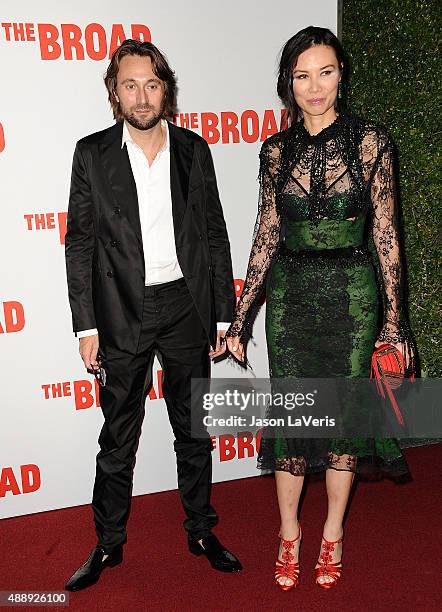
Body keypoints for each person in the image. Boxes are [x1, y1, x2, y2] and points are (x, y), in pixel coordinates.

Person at [226, 26, 415, 590]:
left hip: (354, 297)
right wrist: (241, 318)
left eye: (325, 72)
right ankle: (290, 532)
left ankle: (331, 531)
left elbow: (386, 235)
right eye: (302, 75)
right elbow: (266, 233)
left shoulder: (372, 143)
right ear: (288, 82)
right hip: (290, 301)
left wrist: (394, 322)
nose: (315, 86)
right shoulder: (274, 150)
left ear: (341, 75)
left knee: (343, 422)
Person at [64, 39, 241, 592]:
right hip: (121, 313)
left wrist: (222, 314)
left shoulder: (193, 149)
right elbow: (81, 244)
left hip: (186, 307)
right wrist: (86, 325)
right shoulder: (91, 154)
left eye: (151, 83)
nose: (141, 96)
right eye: (129, 84)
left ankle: (201, 530)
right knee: (118, 437)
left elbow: (214, 231)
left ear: (166, 88)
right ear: (115, 92)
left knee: (194, 430)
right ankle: (108, 544)